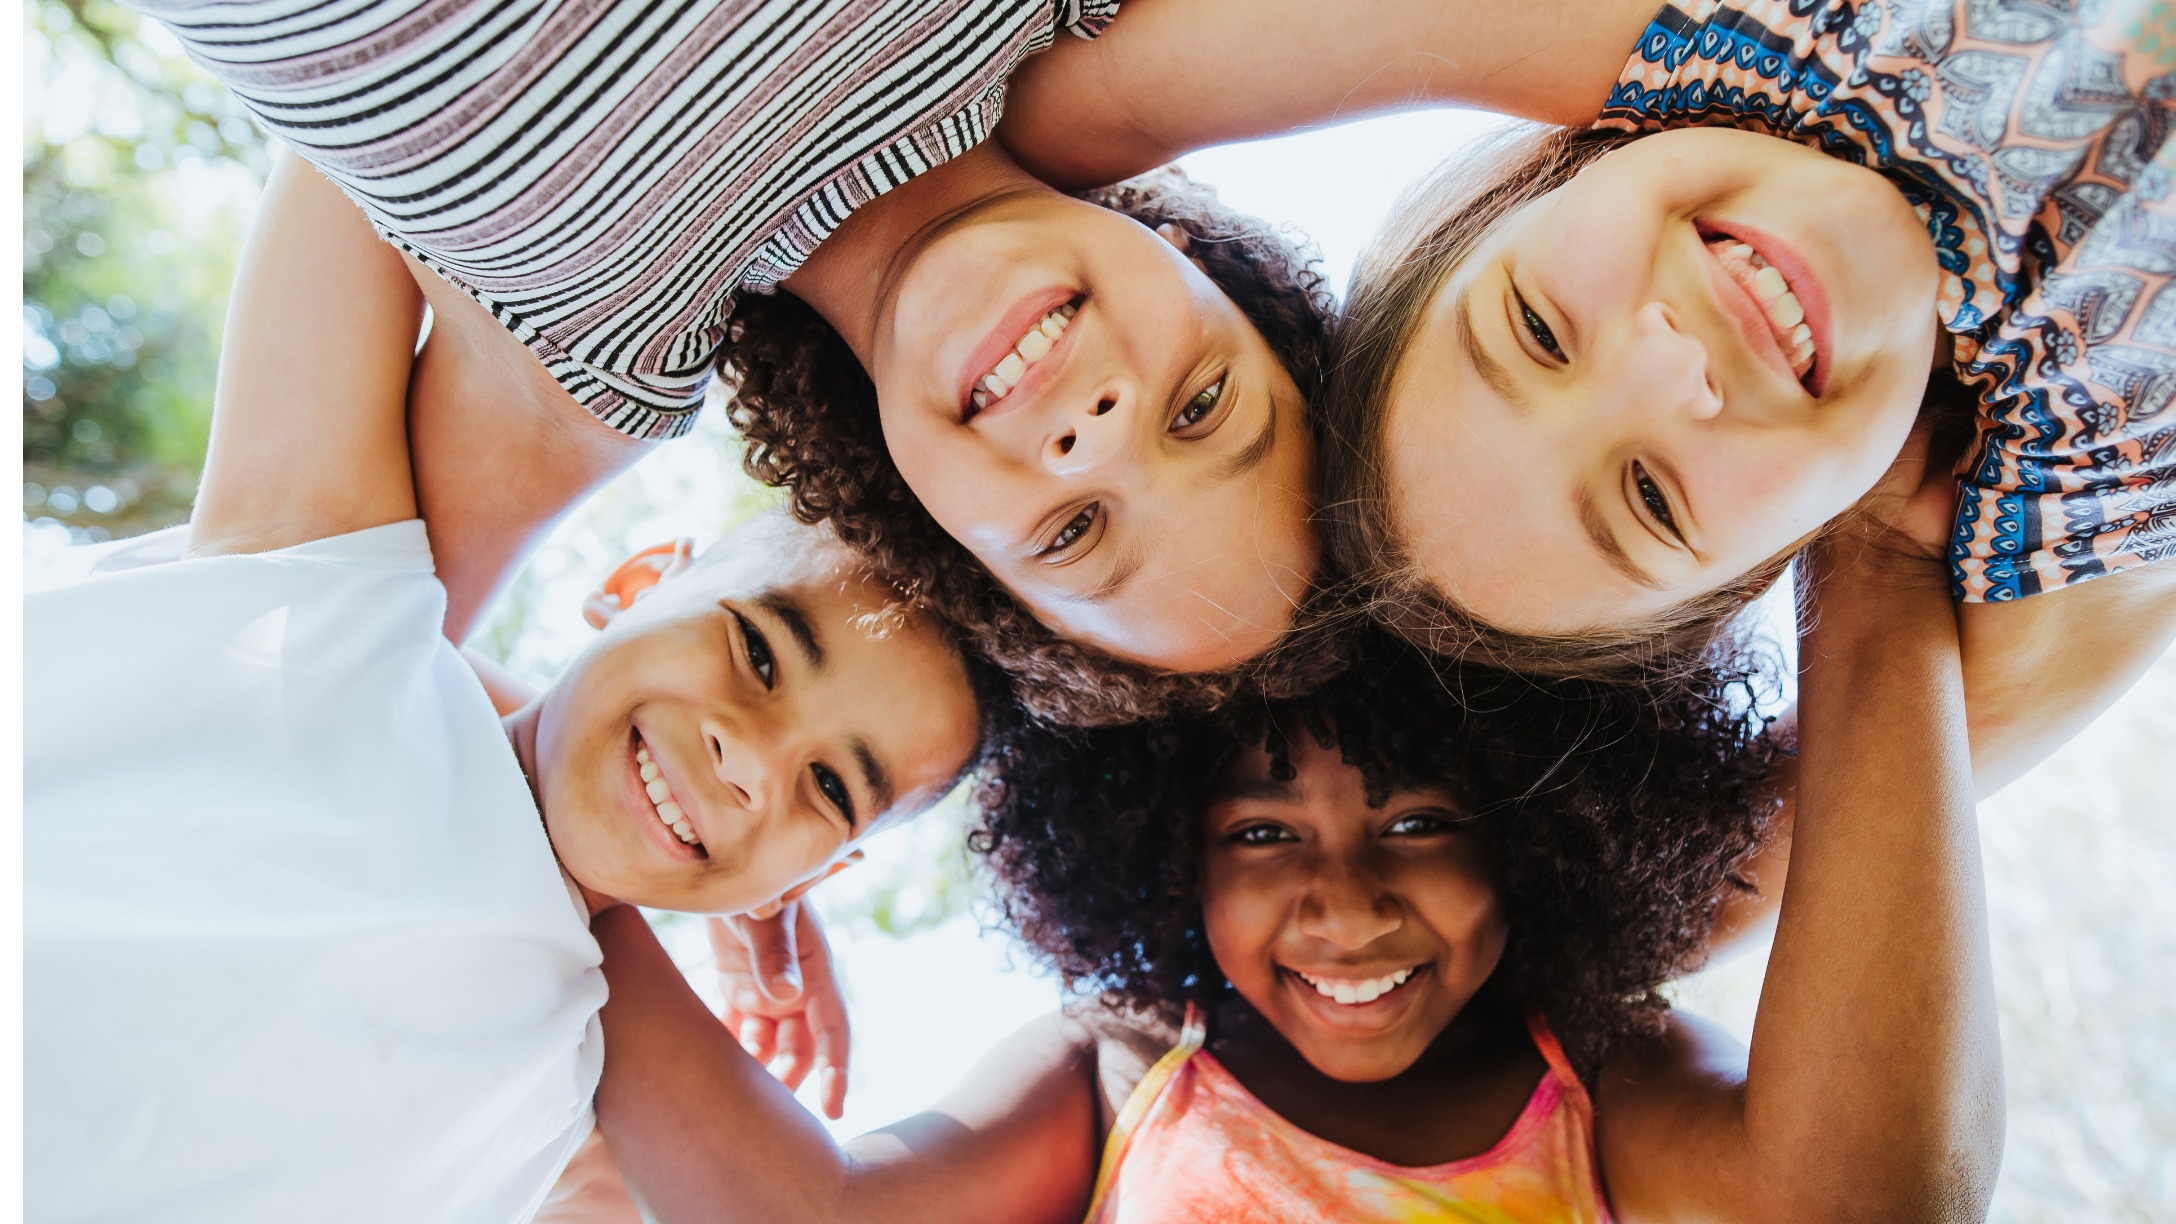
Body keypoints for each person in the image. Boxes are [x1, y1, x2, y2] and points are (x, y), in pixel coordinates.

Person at [23, 154, 1009, 1223]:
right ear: (635, 583)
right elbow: (347, 120)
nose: (753, 765)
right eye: (759, 654)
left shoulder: (558, 1119)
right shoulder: (336, 606)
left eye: (829, 788)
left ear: (808, 876)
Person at [569, 508, 2002, 1223]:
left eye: (1421, 821)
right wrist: (591, 884)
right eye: (1259, 833)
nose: (1347, 900)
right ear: (1160, 851)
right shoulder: (1124, 1075)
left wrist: (1873, 564)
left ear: (1541, 833)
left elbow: (1864, 1198)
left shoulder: (1597, 1081)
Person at [994, 0, 2176, 784]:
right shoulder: (2101, 433)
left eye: (1535, 329)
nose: (1671, 364)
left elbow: (1074, 112)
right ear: (1785, 553)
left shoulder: (1717, 33)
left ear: (1537, 188)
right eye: (1654, 503)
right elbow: (1955, 745)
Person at [127, 0, 1332, 711]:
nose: (1098, 437)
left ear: (934, 529)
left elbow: (294, 672)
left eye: (1075, 533)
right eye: (1204, 407)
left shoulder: (586, 366)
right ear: (1199, 268)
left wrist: (649, 847)